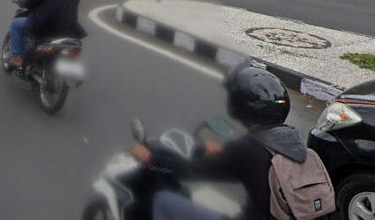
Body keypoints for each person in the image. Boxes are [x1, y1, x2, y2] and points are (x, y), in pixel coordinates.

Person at [132, 64, 319, 220]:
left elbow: (191, 171)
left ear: (239, 106)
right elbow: (245, 170)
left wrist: (152, 158)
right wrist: (221, 157)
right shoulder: (298, 144)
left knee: (164, 200)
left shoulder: (247, 148)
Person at [7, 0, 85, 70]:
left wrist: (19, 1)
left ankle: (17, 58)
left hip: (44, 29)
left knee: (16, 24)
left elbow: (28, 3)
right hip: (68, 30)